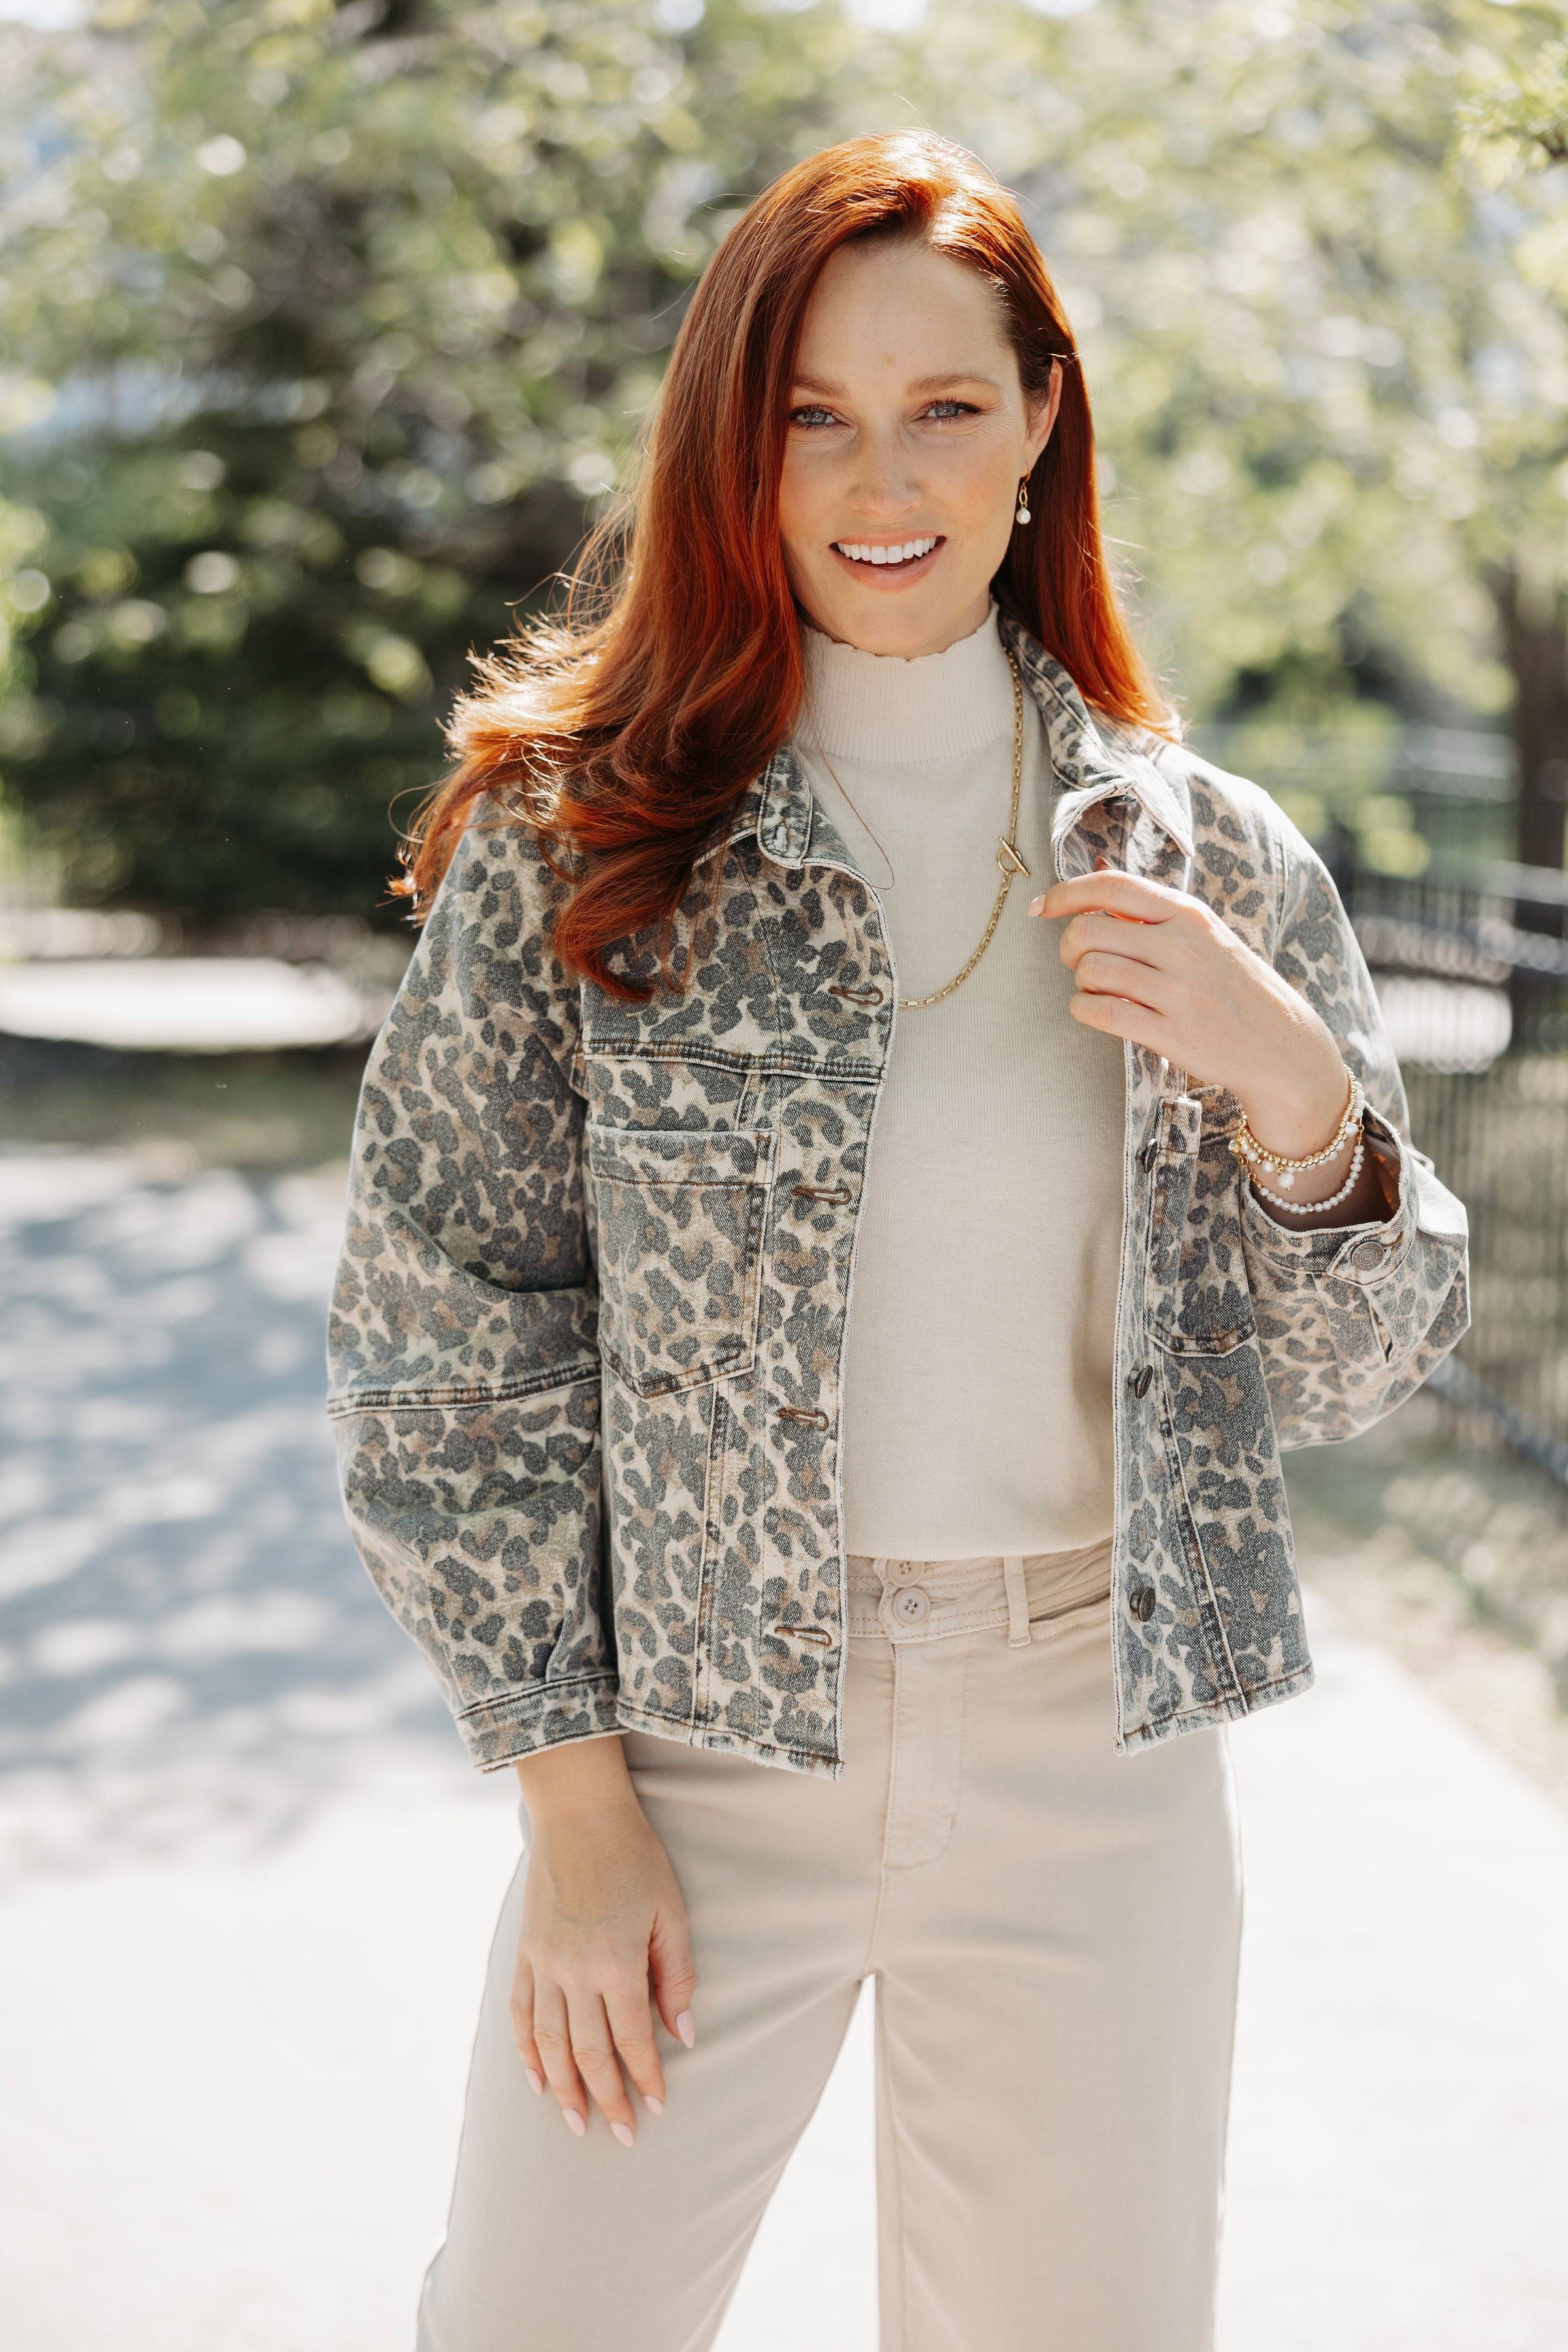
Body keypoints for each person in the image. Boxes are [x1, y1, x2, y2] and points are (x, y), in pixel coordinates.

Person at [326, 131, 1469, 2352]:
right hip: (690, 1746)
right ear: (733, 449)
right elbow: (438, 1339)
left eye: (946, 406)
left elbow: (1354, 1370)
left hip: (1093, 1751)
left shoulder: (1208, 855)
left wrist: (1294, 1086)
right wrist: (575, 1814)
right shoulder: (584, 839)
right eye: (814, 416)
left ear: (1044, 418)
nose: (884, 476)